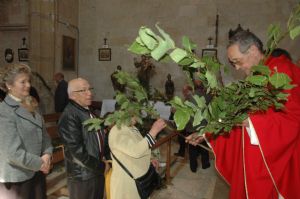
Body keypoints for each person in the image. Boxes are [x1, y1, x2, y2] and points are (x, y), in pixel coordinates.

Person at [187, 30, 300, 198]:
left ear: (253, 50)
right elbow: (236, 113)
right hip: (253, 157)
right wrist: (206, 132)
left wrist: (254, 123)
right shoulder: (257, 76)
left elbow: (294, 118)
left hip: (275, 164)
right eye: (233, 64)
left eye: (237, 61)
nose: (238, 68)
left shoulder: (280, 71)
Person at [0, 63, 53, 199]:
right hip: (18, 178)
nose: (28, 85)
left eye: (28, 81)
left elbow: (44, 135)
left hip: (37, 173)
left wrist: (47, 154)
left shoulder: (31, 105)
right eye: (22, 82)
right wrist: (41, 163)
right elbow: (12, 153)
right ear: (9, 85)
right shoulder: (4, 111)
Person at [58, 78, 108, 199]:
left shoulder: (87, 111)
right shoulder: (70, 116)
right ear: (73, 95)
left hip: (95, 170)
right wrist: (101, 166)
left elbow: (98, 138)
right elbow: (76, 152)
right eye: (83, 90)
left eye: (89, 89)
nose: (89, 93)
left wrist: (106, 158)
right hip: (83, 175)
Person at [109, 118, 166, 199]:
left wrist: (150, 159)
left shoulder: (132, 127)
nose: (137, 116)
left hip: (138, 179)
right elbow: (135, 151)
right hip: (127, 183)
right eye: (134, 113)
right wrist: (153, 131)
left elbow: (139, 146)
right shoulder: (117, 130)